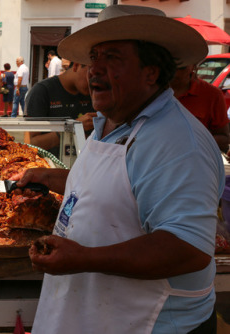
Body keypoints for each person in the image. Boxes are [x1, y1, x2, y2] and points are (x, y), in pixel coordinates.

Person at [15, 5, 223, 333]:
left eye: (112, 57)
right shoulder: (113, 121)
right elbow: (122, 186)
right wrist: (52, 178)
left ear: (151, 72)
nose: (94, 69)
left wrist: (84, 258)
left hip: (149, 322)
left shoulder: (178, 142)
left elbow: (188, 248)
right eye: (94, 56)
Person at [25, 62, 96, 156]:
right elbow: (31, 143)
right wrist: (74, 127)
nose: (94, 81)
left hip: (83, 165)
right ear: (76, 66)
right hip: (49, 166)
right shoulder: (42, 91)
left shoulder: (94, 93)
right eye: (91, 74)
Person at [170, 64, 230, 152]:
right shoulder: (151, 91)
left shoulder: (212, 94)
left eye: (181, 67)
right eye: (170, 66)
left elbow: (224, 138)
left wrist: (192, 142)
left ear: (193, 66)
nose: (175, 73)